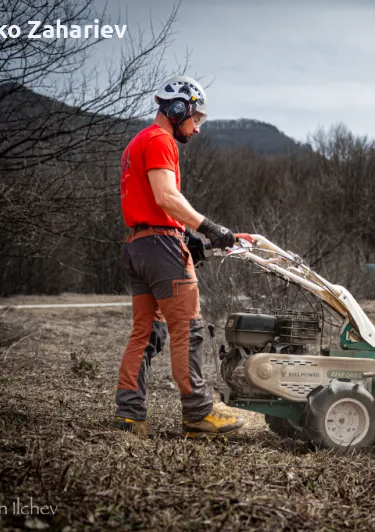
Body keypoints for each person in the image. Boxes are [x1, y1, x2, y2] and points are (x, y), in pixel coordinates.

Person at [113, 75, 244, 438]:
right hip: (161, 250)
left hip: (138, 247)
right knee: (188, 330)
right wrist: (209, 228)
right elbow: (166, 197)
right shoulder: (160, 140)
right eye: (195, 118)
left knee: (144, 332)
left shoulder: (137, 142)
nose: (197, 128)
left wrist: (184, 232)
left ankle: (130, 414)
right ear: (177, 108)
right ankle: (199, 415)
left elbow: (150, 204)